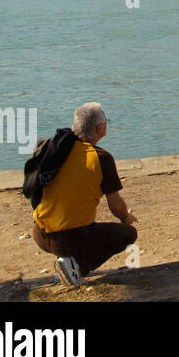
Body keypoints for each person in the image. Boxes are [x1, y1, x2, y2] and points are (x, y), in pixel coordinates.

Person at [28, 103, 137, 287]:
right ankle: (76, 267)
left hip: (40, 232)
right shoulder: (101, 158)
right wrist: (126, 217)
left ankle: (69, 262)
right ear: (99, 128)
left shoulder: (51, 147)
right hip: (69, 239)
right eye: (106, 122)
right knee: (128, 234)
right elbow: (116, 206)